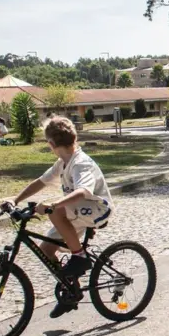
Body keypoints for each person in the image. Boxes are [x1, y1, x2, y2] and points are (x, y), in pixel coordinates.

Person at [10, 117, 114, 318]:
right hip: (78, 209)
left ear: (50, 144)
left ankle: (79, 256)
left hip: (97, 208)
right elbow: (41, 182)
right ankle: (70, 290)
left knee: (56, 211)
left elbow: (84, 191)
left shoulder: (80, 163)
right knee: (46, 250)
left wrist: (54, 204)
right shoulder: (63, 162)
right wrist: (15, 200)